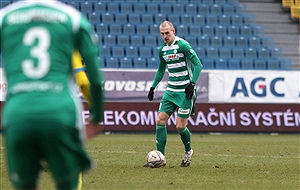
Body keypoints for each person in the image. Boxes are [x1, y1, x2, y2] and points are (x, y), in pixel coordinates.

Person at [0, 0, 104, 189]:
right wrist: (97, 116)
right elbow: (94, 79)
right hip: (60, 110)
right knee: (68, 182)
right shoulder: (72, 18)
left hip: (17, 113)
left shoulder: (4, 17)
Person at [146, 21, 203, 167]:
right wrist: (153, 87)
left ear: (173, 31)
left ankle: (188, 151)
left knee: (179, 126)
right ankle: (160, 157)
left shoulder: (183, 45)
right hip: (171, 90)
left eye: (167, 33)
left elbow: (198, 65)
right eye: (162, 34)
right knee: (160, 120)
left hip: (185, 91)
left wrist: (192, 84)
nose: (165, 36)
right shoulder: (163, 50)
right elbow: (160, 70)